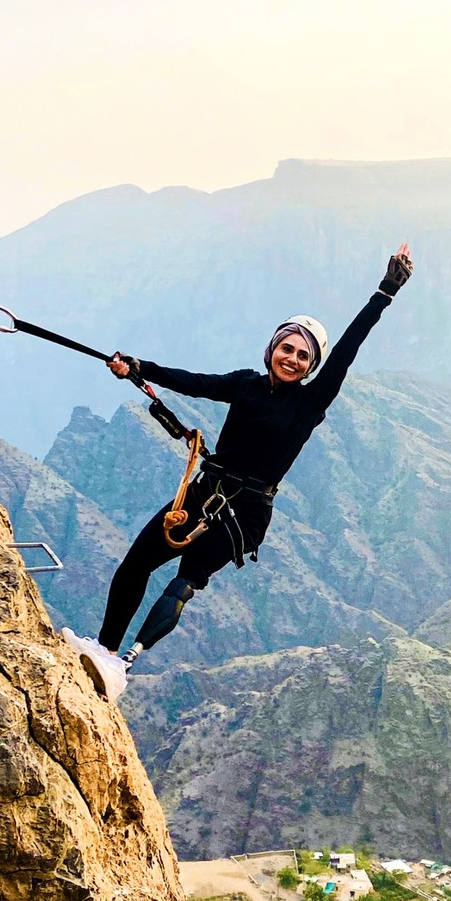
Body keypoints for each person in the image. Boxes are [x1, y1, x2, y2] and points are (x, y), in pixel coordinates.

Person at [62, 243, 413, 700]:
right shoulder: (245, 384)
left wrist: (385, 292)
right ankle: (105, 651)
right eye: (286, 348)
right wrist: (137, 367)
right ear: (272, 349)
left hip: (243, 515)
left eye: (303, 356)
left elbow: (348, 347)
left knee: (184, 580)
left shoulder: (310, 402)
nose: (292, 359)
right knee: (136, 562)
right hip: (206, 491)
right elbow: (193, 381)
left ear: (312, 367)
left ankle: (123, 666)